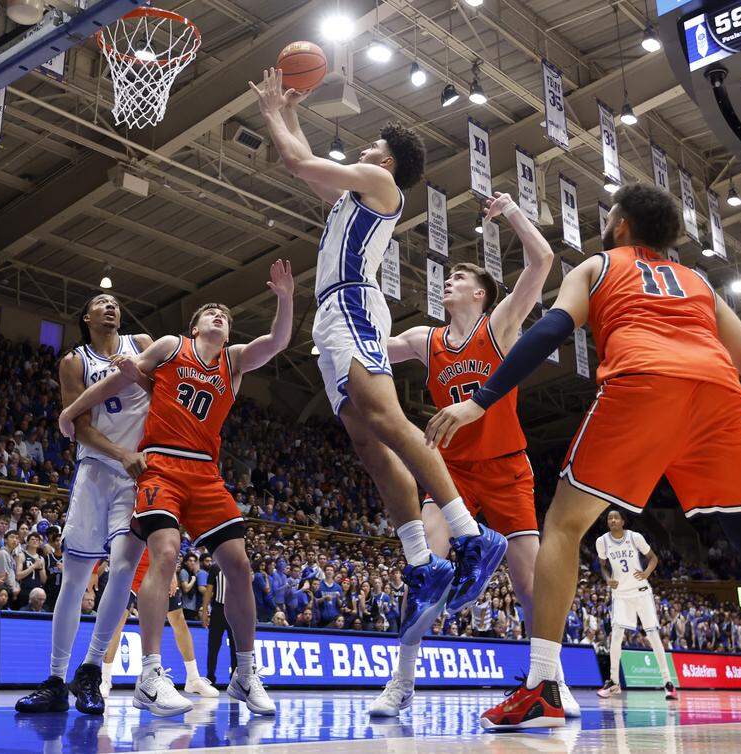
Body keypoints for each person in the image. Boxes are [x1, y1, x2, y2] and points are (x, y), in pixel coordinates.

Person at [429, 183, 741, 745]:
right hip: (718, 398)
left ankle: (543, 687)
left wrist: (480, 399)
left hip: (643, 386)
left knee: (564, 525)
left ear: (621, 224)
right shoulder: (698, 282)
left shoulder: (599, 264)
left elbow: (552, 329)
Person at [250, 68, 506, 645]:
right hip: (333, 316)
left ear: (385, 163)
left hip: (355, 307)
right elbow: (312, 168)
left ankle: (469, 534)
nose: (362, 148)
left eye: (372, 146)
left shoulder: (381, 185)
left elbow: (299, 164)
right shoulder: (353, 193)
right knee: (366, 440)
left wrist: (270, 111)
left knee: (387, 418)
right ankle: (423, 560)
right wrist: (289, 111)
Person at [58, 259, 293, 717]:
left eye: (225, 314)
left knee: (239, 566)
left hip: (206, 471)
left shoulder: (235, 359)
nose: (219, 316)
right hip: (161, 464)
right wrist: (71, 413)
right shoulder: (170, 346)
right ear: (195, 325)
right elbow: (118, 378)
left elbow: (279, 341)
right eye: (211, 312)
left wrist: (284, 298)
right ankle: (149, 674)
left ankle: (244, 674)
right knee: (164, 553)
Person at [374, 191, 578, 717]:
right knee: (423, 570)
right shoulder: (426, 338)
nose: (449, 282)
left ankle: (549, 680)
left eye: (460, 278)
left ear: (482, 294)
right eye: (448, 279)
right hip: (450, 473)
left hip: (507, 467)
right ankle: (401, 682)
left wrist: (511, 210)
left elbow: (543, 262)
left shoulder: (501, 326)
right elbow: (375, 348)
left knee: (530, 582)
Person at [16, 293, 152, 716]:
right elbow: (80, 428)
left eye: (114, 302)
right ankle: (56, 679)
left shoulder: (142, 345)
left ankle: (90, 671)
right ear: (86, 317)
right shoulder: (74, 361)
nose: (110, 306)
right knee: (74, 579)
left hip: (136, 476)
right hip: (96, 471)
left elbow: (164, 394)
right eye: (100, 302)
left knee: (125, 569)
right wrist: (121, 454)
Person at [100, 548, 218, 699]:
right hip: (131, 566)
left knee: (178, 620)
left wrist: (172, 572)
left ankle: (193, 678)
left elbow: (169, 538)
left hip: (159, 567)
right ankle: (105, 679)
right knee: (118, 621)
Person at [593, 510, 676, 701]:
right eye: (609, 518)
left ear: (623, 521)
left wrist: (646, 573)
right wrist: (607, 579)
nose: (612, 520)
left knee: (654, 637)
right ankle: (614, 682)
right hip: (620, 594)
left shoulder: (634, 537)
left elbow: (653, 558)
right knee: (615, 638)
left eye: (616, 518)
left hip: (641, 593)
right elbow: (603, 565)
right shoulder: (601, 541)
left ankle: (668, 683)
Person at [202, 556, 236, 688]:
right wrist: (205, 611)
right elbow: (209, 590)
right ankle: (210, 677)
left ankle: (234, 678)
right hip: (218, 611)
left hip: (234, 610)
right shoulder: (216, 567)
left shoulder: (238, 566)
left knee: (235, 647)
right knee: (213, 646)